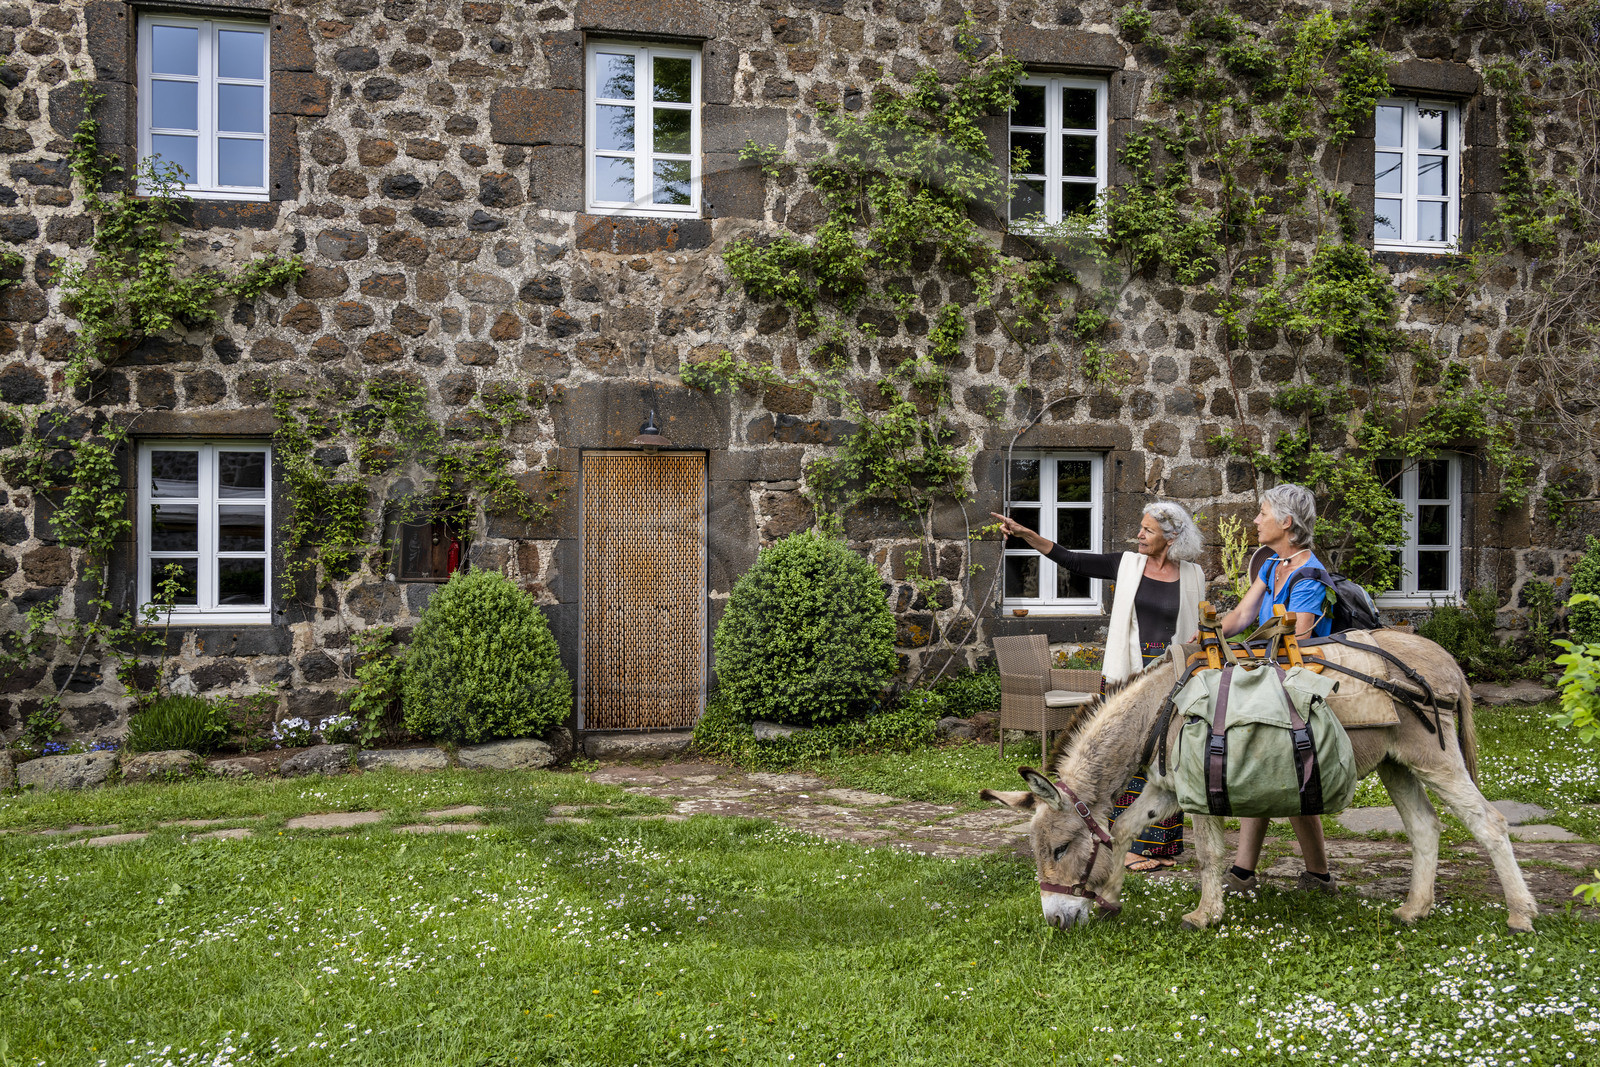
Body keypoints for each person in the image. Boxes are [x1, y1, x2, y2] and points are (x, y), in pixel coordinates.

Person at [992, 500, 1206, 870]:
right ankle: (1124, 838)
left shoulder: (1193, 575)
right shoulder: (1125, 564)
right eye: (1141, 528)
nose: (1139, 534)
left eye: (1148, 530)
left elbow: (1197, 629)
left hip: (1172, 676)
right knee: (1123, 759)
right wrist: (1026, 534)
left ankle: (1160, 847)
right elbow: (1072, 559)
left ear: (1170, 539)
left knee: (1166, 757)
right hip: (1128, 673)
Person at [1209, 483, 1337, 895]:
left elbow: (1296, 641)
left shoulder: (1309, 574)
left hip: (1296, 682)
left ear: (1286, 522)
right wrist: (1203, 636)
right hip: (1269, 674)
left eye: (1262, 513)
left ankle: (1315, 876)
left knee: (1289, 772)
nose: (1255, 520)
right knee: (1263, 765)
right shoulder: (1271, 566)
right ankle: (1248, 871)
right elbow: (1243, 614)